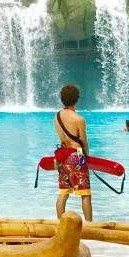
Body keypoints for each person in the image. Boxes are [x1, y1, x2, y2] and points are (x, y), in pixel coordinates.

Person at [54, 83, 92, 221]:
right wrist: (86, 158)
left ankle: (61, 224)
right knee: (85, 194)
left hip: (62, 156)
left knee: (63, 193)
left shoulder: (57, 116)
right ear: (77, 99)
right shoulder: (79, 119)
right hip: (77, 156)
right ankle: (89, 226)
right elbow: (84, 143)